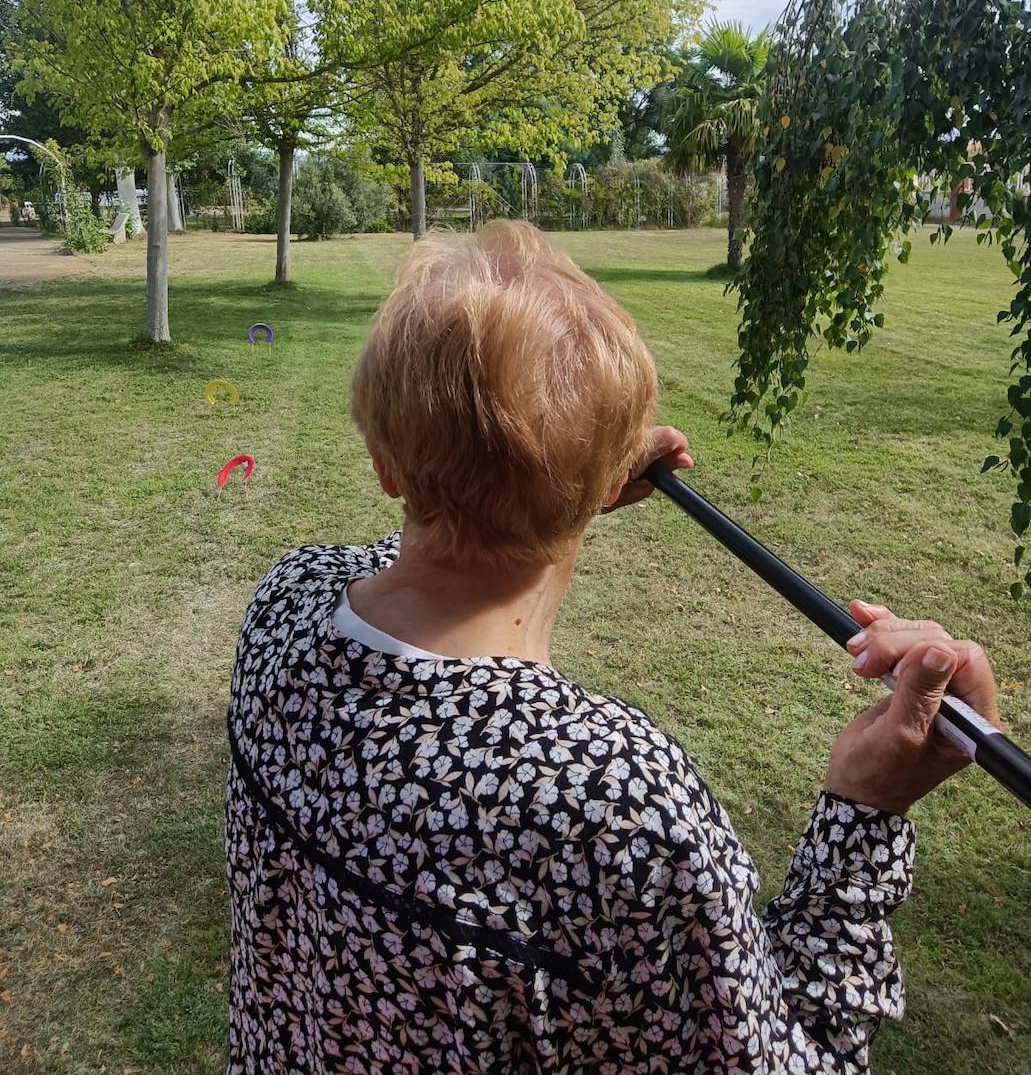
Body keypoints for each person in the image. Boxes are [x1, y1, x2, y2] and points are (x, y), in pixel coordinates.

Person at [225, 219, 1000, 1074]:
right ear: (602, 480)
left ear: (382, 463)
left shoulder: (285, 607)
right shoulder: (613, 805)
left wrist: (545, 482)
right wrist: (866, 813)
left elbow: (409, 551)